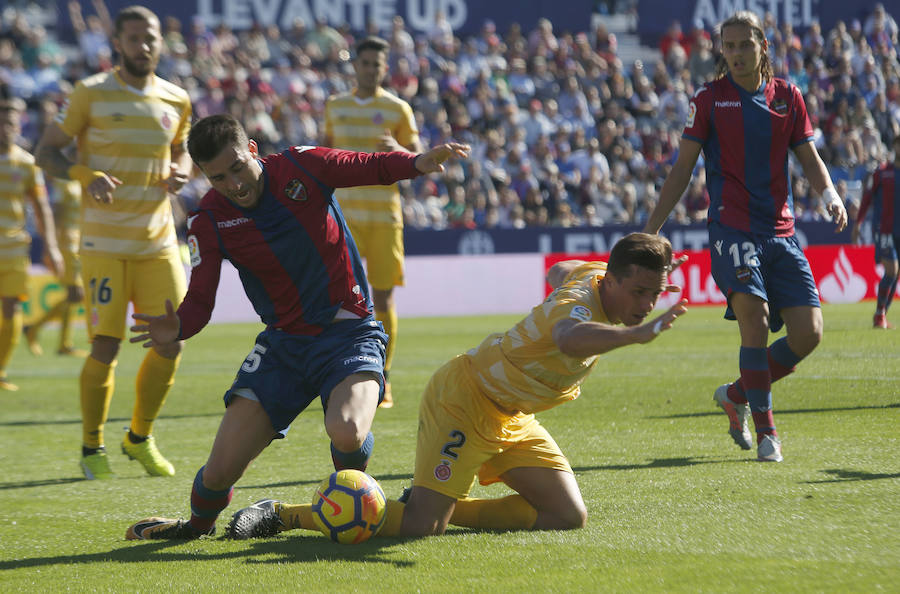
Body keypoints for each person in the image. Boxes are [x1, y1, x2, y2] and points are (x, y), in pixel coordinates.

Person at [123, 114, 469, 540]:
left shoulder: (301, 166)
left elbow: (368, 165)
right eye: (218, 177)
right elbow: (200, 302)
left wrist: (416, 162)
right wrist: (176, 326)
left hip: (350, 333)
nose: (233, 183)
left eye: (237, 168)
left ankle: (354, 499)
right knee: (218, 472)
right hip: (283, 348)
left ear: (252, 150)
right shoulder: (207, 220)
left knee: (347, 430)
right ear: (204, 176)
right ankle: (195, 527)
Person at [224, 233, 688, 539]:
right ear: (613, 280)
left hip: (511, 415)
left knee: (567, 517)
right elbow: (568, 336)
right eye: (640, 292)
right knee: (423, 528)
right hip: (465, 400)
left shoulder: (591, 274)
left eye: (655, 292)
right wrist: (634, 335)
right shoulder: (579, 310)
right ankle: (283, 514)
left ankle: (431, 501)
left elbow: (558, 270)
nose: (647, 303)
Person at [641, 11, 848, 463]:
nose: (734, 54)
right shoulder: (710, 99)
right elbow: (682, 169)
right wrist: (650, 228)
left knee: (809, 333)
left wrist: (829, 193)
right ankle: (768, 431)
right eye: (728, 46)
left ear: (763, 47)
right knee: (753, 318)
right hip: (732, 227)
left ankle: (736, 395)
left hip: (781, 231)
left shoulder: (789, 98)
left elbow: (809, 158)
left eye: (743, 45)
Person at [35, 5, 193, 480]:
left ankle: (139, 438)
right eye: (134, 38)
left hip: (160, 242)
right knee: (106, 345)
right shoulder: (90, 93)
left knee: (170, 342)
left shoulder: (176, 98)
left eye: (151, 38)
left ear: (160, 43)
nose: (143, 46)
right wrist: (85, 174)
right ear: (117, 44)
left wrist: (182, 166)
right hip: (104, 244)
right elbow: (46, 152)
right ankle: (91, 448)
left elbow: (181, 146)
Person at [324, 35, 423, 409]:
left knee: (382, 297)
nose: (370, 69)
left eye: (376, 65)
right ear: (355, 66)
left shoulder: (398, 109)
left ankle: (382, 375)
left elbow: (415, 159)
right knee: (338, 298)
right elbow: (326, 152)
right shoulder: (336, 106)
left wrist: (401, 152)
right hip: (344, 217)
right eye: (364, 63)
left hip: (383, 216)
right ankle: (340, 370)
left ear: (385, 69)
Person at [0, 90, 63, 391]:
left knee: (11, 308)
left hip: (13, 248)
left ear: (18, 125)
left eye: (10, 124)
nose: (5, 129)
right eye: (1, 123)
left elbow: (41, 208)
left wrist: (51, 247)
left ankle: (0, 371)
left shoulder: (26, 164)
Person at [24, 177, 88, 358]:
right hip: (65, 242)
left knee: (75, 295)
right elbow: (55, 214)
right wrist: (51, 246)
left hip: (78, 241)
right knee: (76, 292)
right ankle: (45, 335)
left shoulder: (78, 181)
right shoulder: (62, 183)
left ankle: (39, 331)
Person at [852, 134, 900, 329]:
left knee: (895, 275)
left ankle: (881, 316)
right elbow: (867, 199)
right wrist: (858, 223)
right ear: (895, 146)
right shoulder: (882, 173)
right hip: (885, 230)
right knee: (892, 270)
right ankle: (880, 316)